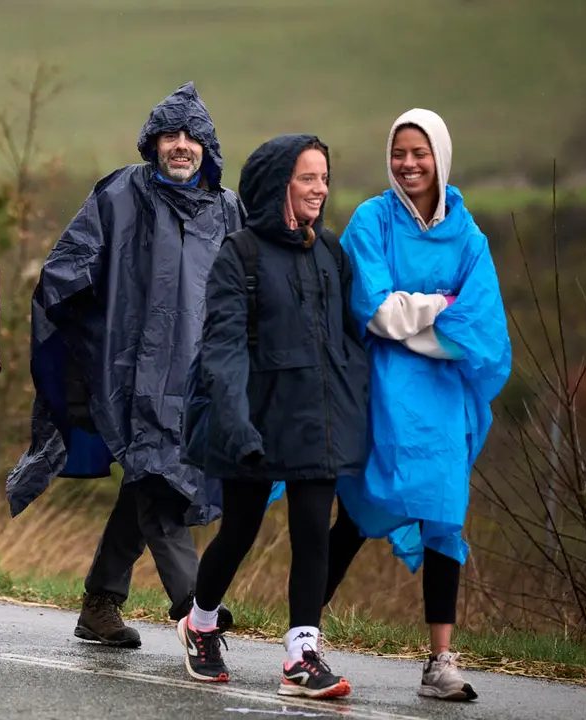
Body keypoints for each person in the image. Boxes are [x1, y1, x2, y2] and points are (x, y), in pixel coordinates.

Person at [5, 82, 244, 648]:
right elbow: (67, 266)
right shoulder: (122, 194)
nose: (180, 145)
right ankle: (195, 609)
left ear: (207, 146)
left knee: (148, 483)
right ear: (153, 143)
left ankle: (100, 603)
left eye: (191, 136)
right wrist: (95, 330)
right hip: (130, 378)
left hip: (198, 384)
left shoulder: (228, 211)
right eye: (169, 135)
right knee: (160, 483)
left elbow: (247, 293)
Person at [324, 108, 512, 701]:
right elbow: (374, 311)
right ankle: (304, 633)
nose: (408, 164)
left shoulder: (469, 235)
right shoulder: (371, 221)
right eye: (400, 153)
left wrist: (413, 312)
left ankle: (439, 662)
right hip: (382, 395)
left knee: (445, 520)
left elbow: (481, 326)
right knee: (359, 507)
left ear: (440, 158)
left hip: (445, 401)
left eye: (420, 153)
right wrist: (441, 305)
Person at [177, 134, 367, 699]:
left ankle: (301, 655)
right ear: (278, 183)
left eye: (324, 177)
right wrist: (236, 424)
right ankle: (200, 623)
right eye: (308, 177)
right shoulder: (242, 254)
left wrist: (354, 405)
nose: (320, 188)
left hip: (318, 422)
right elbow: (224, 348)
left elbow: (348, 341)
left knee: (313, 534)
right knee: (239, 531)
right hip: (255, 423)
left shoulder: (331, 251)